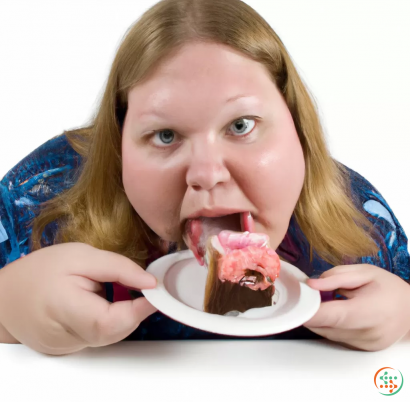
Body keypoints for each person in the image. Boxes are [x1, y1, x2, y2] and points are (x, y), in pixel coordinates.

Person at [0, 0, 409, 355]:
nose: (207, 174)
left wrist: (405, 316)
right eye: (165, 136)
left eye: (241, 125)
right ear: (119, 143)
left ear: (298, 127)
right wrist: (7, 304)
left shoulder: (363, 224)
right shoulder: (39, 201)